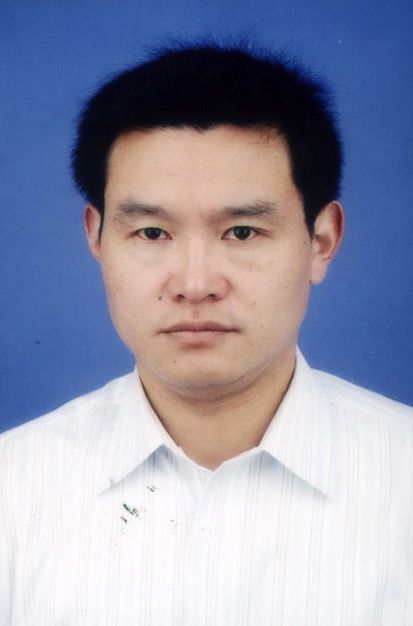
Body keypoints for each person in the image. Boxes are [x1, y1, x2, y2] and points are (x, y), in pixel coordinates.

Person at [1, 42, 412, 626]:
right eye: (151, 233)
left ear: (321, 242)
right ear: (97, 238)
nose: (195, 285)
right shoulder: (13, 490)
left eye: (242, 232)